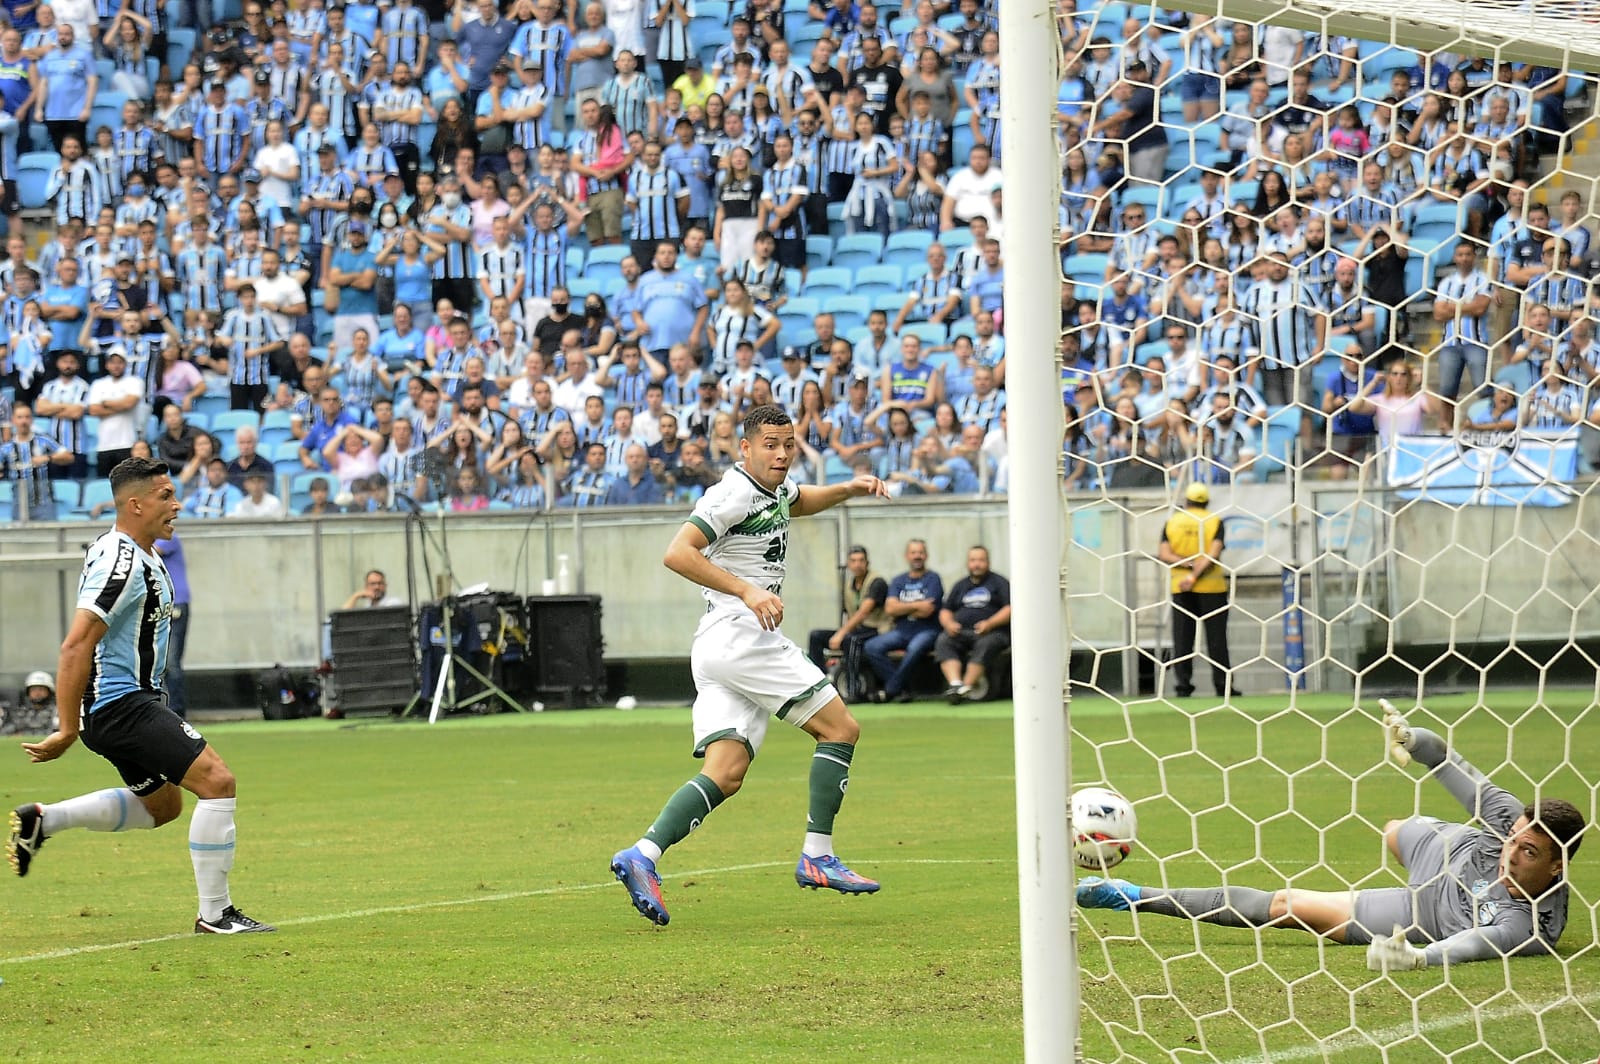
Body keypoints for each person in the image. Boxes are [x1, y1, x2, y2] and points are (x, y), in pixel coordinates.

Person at [610, 404, 890, 926]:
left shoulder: (774, 490)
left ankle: (642, 855)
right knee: (841, 729)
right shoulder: (732, 493)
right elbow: (678, 552)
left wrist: (850, 489)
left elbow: (802, 501)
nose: (781, 454)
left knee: (727, 770)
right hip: (743, 634)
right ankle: (818, 854)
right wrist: (747, 589)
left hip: (719, 644)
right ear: (745, 448)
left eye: (788, 444)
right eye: (770, 445)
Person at [1080, 700, 1586, 972]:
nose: (1512, 853)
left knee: (1288, 906)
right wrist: (1411, 737)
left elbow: (1475, 943)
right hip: (1444, 846)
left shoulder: (1529, 928)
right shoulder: (1505, 822)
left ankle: (1131, 897)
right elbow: (1447, 762)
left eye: (1528, 851)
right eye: (1515, 838)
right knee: (1393, 830)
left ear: (1557, 865)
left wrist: (1418, 956)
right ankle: (1405, 841)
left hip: (1425, 915)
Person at [7, 457, 274, 935]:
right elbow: (76, 644)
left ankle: (43, 822)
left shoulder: (137, 551)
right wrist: (67, 727)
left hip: (127, 704)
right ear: (136, 504)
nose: (177, 505)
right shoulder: (122, 561)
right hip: (121, 704)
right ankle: (216, 914)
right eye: (166, 496)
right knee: (218, 781)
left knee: (164, 806)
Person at [1159, 482, 1234, 699]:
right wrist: (1196, 574)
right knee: (1217, 639)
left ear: (1187, 501)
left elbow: (1164, 553)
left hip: (1180, 588)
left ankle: (1183, 686)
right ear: (1207, 501)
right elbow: (1213, 553)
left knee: (1182, 639)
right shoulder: (1214, 521)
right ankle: (1223, 686)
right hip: (1212, 587)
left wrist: (1188, 570)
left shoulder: (1172, 522)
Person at [862, 538, 946, 703]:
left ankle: (890, 689)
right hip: (901, 630)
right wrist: (917, 605)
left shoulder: (933, 578)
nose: (917, 556)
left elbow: (928, 610)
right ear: (907, 556)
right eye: (913, 552)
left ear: (926, 555)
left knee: (915, 649)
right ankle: (900, 688)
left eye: (920, 552)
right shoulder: (898, 580)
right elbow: (890, 609)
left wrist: (903, 606)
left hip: (927, 630)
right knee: (872, 646)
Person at [805, 546, 890, 702]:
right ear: (849, 564)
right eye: (853, 561)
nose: (857, 564)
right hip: (855, 629)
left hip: (876, 629)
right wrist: (841, 633)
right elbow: (848, 613)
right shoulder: (849, 584)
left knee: (851, 640)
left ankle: (852, 691)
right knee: (816, 636)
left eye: (861, 561)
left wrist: (841, 634)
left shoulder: (877, 582)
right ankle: (821, 683)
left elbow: (863, 612)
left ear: (867, 562)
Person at [934, 545, 1011, 703]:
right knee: (943, 640)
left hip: (993, 633)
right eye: (973, 560)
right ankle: (955, 685)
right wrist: (949, 624)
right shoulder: (960, 585)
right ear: (968, 563)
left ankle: (966, 687)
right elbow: (945, 610)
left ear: (988, 562)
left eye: (981, 560)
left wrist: (990, 623)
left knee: (987, 644)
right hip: (962, 632)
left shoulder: (999, 582)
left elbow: (1010, 608)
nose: (977, 564)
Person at [155, 535, 191, 720]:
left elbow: (152, 552)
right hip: (159, 605)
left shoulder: (167, 538)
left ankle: (177, 712)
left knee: (171, 662)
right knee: (159, 661)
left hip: (176, 603)